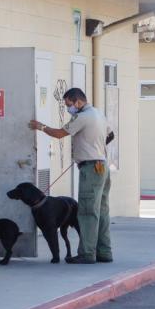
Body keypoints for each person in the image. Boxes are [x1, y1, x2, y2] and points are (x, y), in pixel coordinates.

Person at [28, 88, 112, 264]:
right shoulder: (98, 113)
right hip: (102, 166)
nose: (68, 108)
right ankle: (104, 252)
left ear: (77, 101)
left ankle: (87, 253)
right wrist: (93, 146)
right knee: (102, 211)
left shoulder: (82, 117)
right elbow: (110, 135)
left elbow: (59, 134)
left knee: (88, 211)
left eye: (68, 104)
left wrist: (40, 126)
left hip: (91, 168)